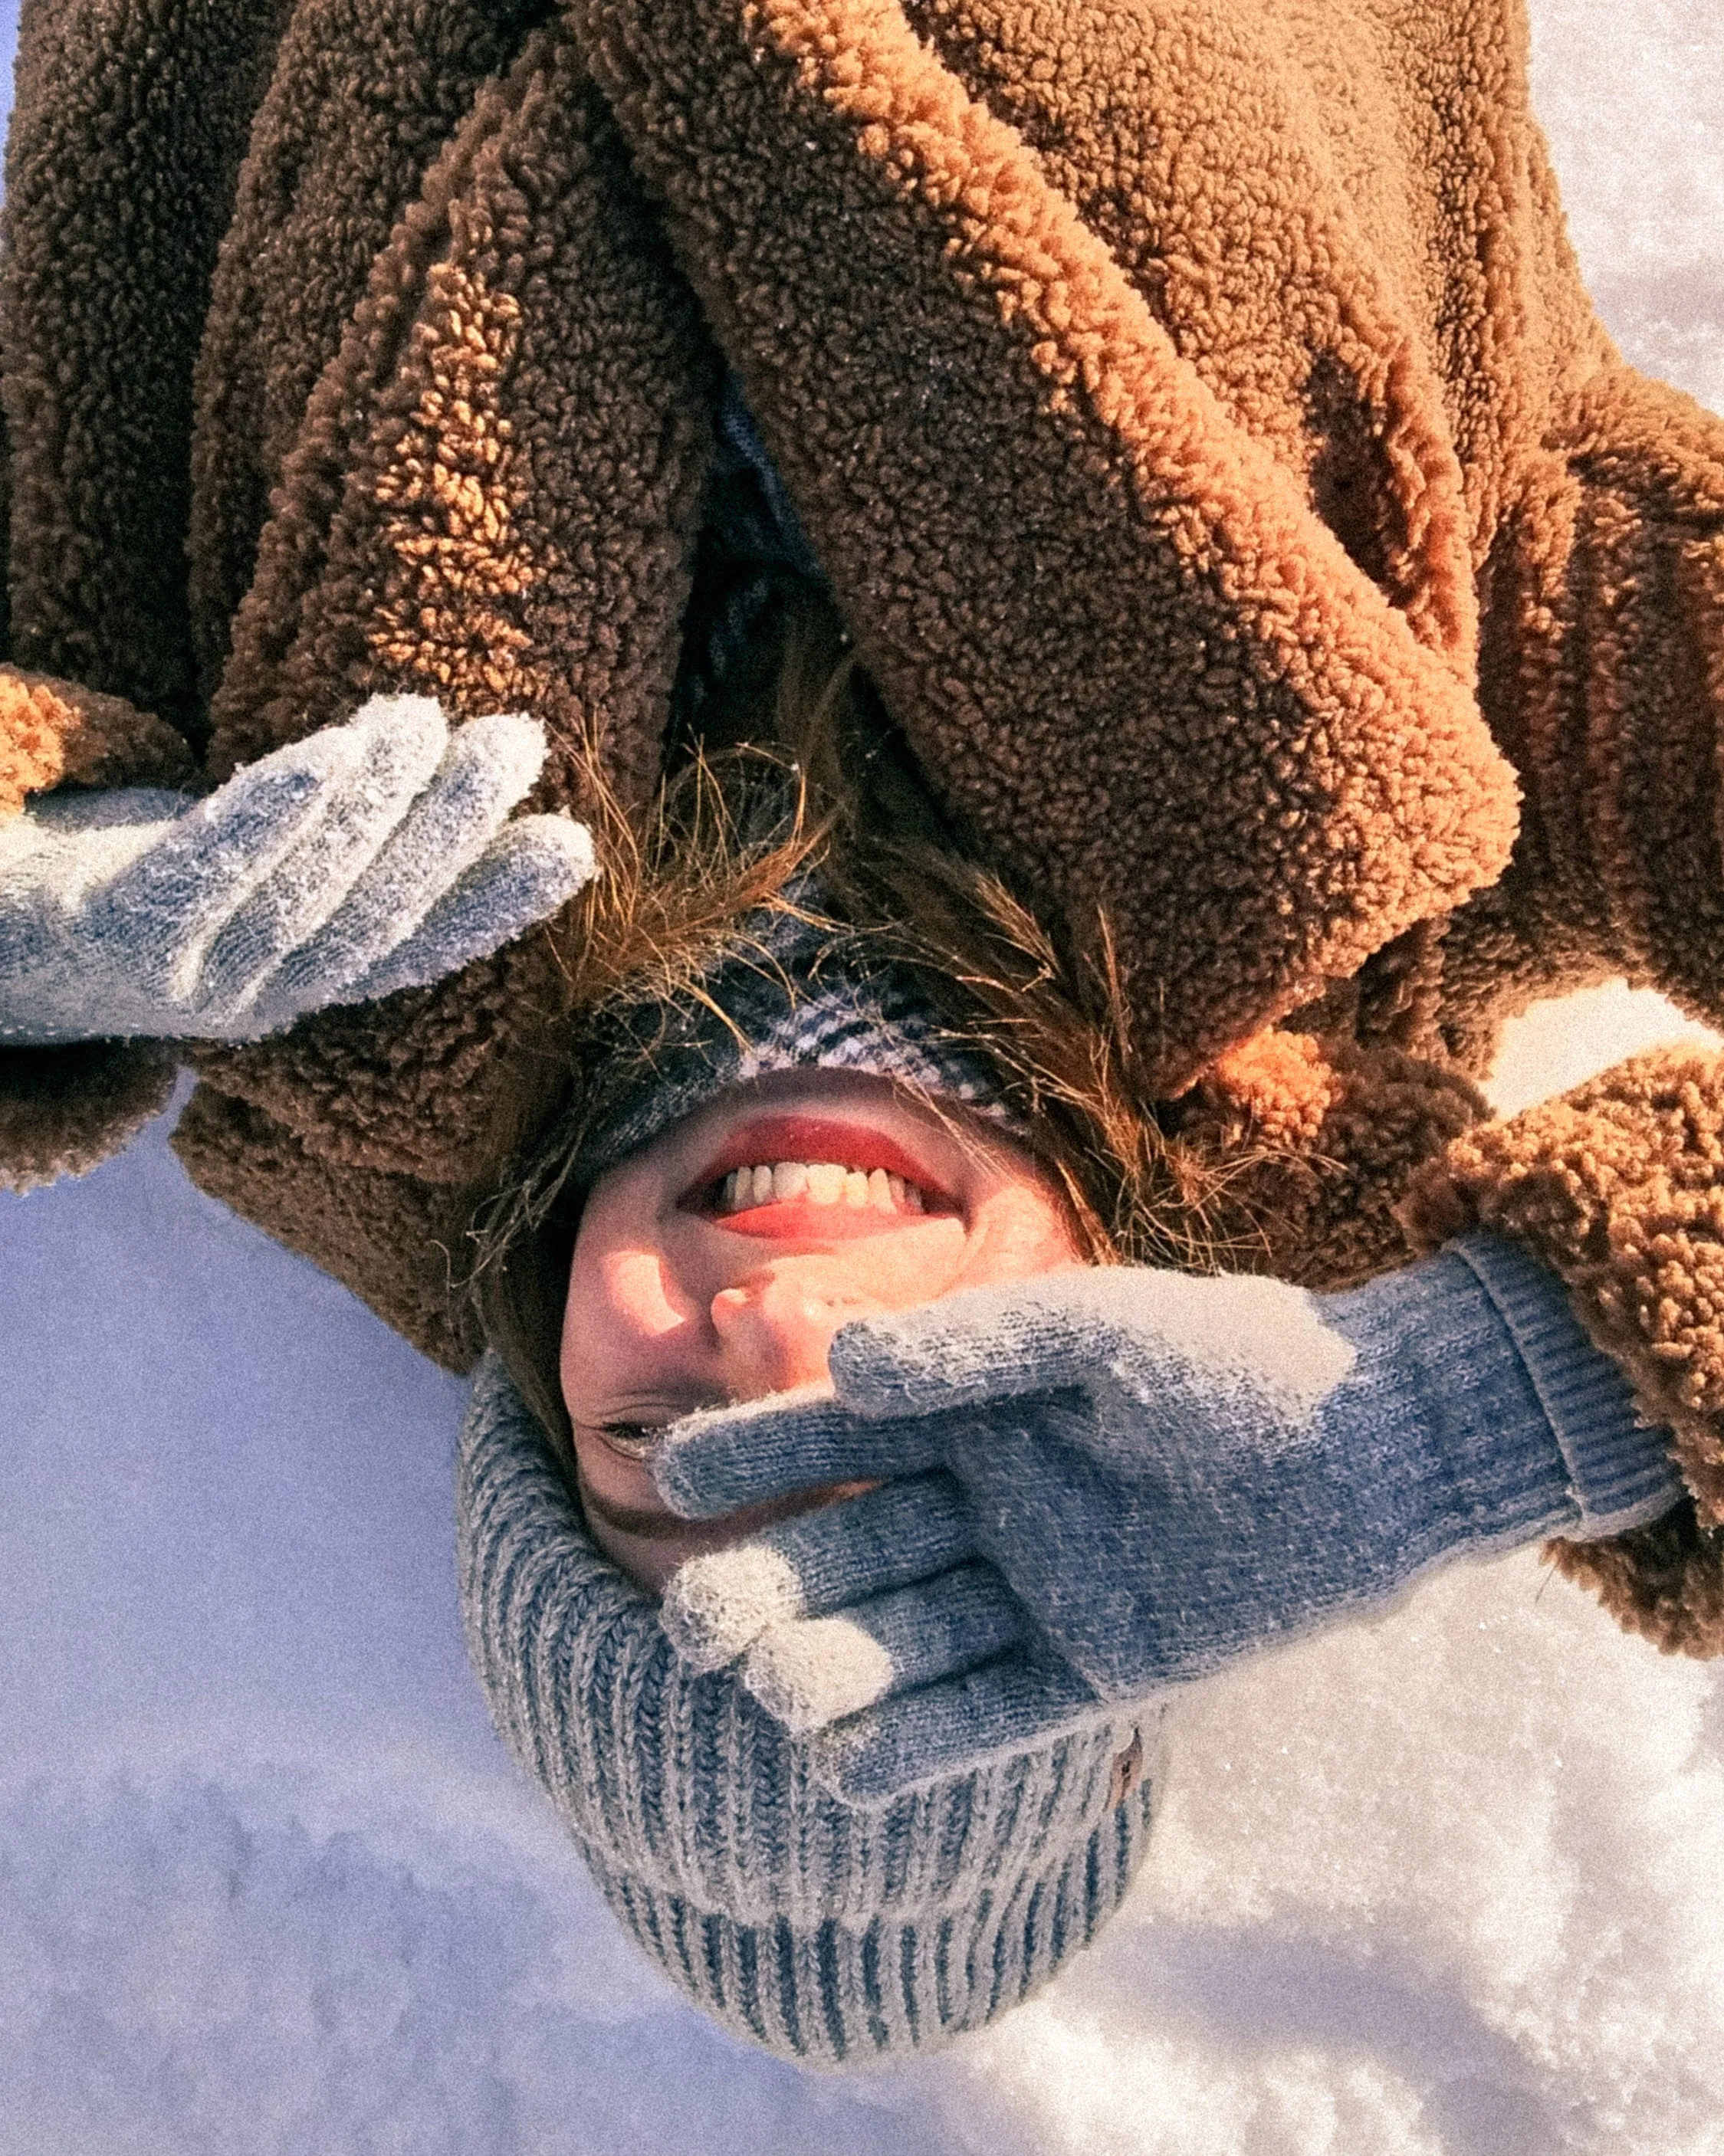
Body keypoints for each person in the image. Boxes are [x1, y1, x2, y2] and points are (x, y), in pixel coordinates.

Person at [5, 0, 1724, 2070]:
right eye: (901, 1459)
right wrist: (1488, 1401)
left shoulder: (269, 886)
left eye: (658, 1458)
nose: (771, 1349)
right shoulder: (1447, 772)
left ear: (537, 1370)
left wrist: (31, 896)